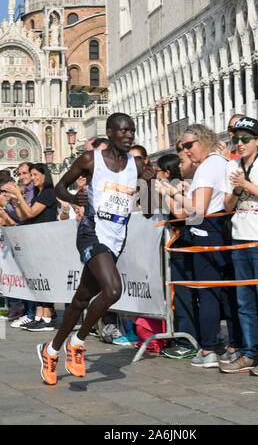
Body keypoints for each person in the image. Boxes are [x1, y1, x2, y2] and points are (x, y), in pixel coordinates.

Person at [36, 112, 155, 386]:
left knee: (81, 298)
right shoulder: (91, 160)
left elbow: (148, 211)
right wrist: (74, 197)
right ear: (110, 132)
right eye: (123, 130)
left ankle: (51, 350)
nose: (128, 135)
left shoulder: (136, 165)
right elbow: (60, 188)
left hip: (115, 239)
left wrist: (148, 181)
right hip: (91, 232)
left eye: (132, 131)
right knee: (113, 290)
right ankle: (77, 343)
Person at [161, 125, 243, 367]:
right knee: (227, 292)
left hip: (207, 230)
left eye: (189, 145)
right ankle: (234, 345)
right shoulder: (222, 162)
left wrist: (171, 192)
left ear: (204, 141)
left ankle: (208, 350)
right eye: (182, 147)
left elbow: (198, 208)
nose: (185, 151)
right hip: (223, 229)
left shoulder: (207, 167)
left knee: (207, 293)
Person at [219, 117, 258, 377]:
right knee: (244, 301)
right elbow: (227, 206)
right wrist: (237, 190)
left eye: (246, 138)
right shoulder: (231, 165)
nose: (240, 142)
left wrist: (247, 185)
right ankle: (249, 352)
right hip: (239, 235)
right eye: (236, 137)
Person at [156, 147, 200, 359]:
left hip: (183, 245)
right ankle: (184, 336)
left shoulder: (179, 187)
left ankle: (187, 339)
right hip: (177, 247)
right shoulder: (176, 187)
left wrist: (166, 193)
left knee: (184, 295)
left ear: (166, 172)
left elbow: (179, 213)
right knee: (181, 295)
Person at [4, 163, 58, 332]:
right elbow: (23, 215)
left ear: (44, 175)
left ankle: (47, 317)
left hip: (46, 240)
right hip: (36, 241)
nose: (33, 178)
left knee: (45, 279)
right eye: (31, 175)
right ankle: (40, 315)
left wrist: (18, 196)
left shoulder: (48, 193)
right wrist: (14, 200)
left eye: (35, 175)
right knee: (38, 279)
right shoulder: (37, 194)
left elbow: (32, 213)